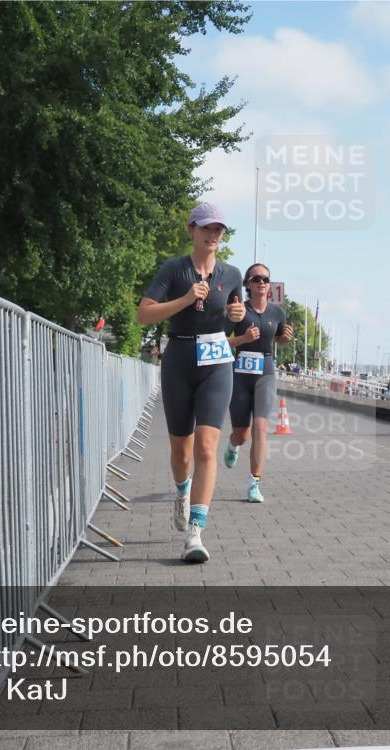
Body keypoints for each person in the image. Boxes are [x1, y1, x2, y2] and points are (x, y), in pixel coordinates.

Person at [136, 203, 245, 563]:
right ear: (192, 231)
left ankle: (195, 532)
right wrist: (184, 299)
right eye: (206, 229)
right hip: (180, 360)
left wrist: (237, 316)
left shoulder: (231, 274)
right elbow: (143, 313)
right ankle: (182, 491)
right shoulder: (174, 268)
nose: (213, 235)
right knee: (181, 453)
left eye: (219, 230)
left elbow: (234, 319)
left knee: (207, 447)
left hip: (216, 362)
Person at [223, 264, 294, 502]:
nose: (262, 282)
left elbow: (280, 340)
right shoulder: (239, 310)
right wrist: (243, 338)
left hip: (266, 371)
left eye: (266, 279)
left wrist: (284, 339)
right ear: (248, 284)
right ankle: (233, 445)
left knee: (261, 428)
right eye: (256, 278)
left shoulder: (277, 313)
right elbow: (221, 341)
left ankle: (255, 483)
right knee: (242, 435)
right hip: (241, 373)